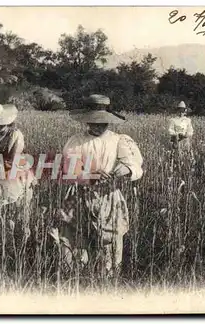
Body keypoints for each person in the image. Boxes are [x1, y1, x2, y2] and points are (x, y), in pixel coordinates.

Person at [61, 94, 144, 277]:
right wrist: (89, 175)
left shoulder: (119, 140)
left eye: (102, 123)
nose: (98, 126)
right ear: (86, 122)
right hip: (80, 195)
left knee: (109, 242)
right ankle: (78, 279)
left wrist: (126, 169)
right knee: (76, 240)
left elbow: (135, 164)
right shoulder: (76, 141)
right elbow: (69, 170)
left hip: (109, 196)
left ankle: (106, 281)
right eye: (93, 123)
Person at [0, 103, 37, 233]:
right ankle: (0, 229)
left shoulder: (15, 134)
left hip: (16, 168)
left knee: (21, 203)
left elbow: (13, 159)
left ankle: (22, 230)